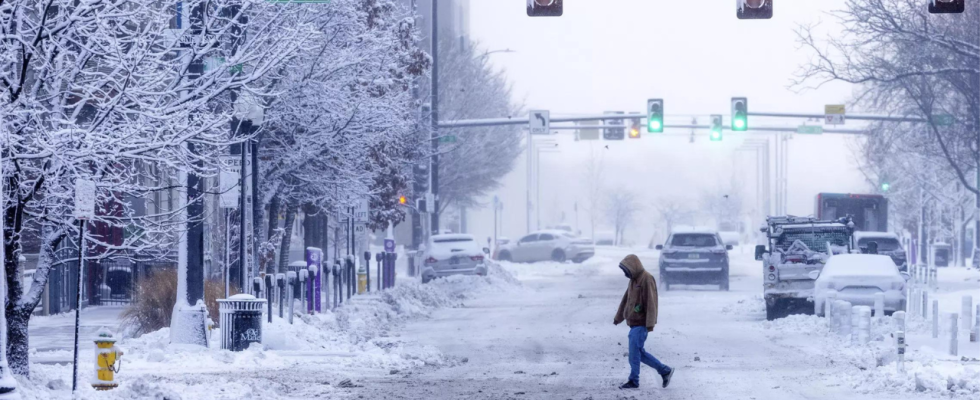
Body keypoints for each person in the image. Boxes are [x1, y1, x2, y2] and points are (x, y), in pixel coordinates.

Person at [613, 254, 673, 390]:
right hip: (633, 324)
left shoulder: (647, 279)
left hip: (641, 324)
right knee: (640, 353)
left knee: (634, 355)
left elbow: (651, 302)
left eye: (626, 270)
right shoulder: (633, 280)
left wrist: (650, 323)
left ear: (633, 267)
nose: (625, 274)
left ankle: (634, 380)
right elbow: (625, 300)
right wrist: (618, 317)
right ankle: (665, 371)